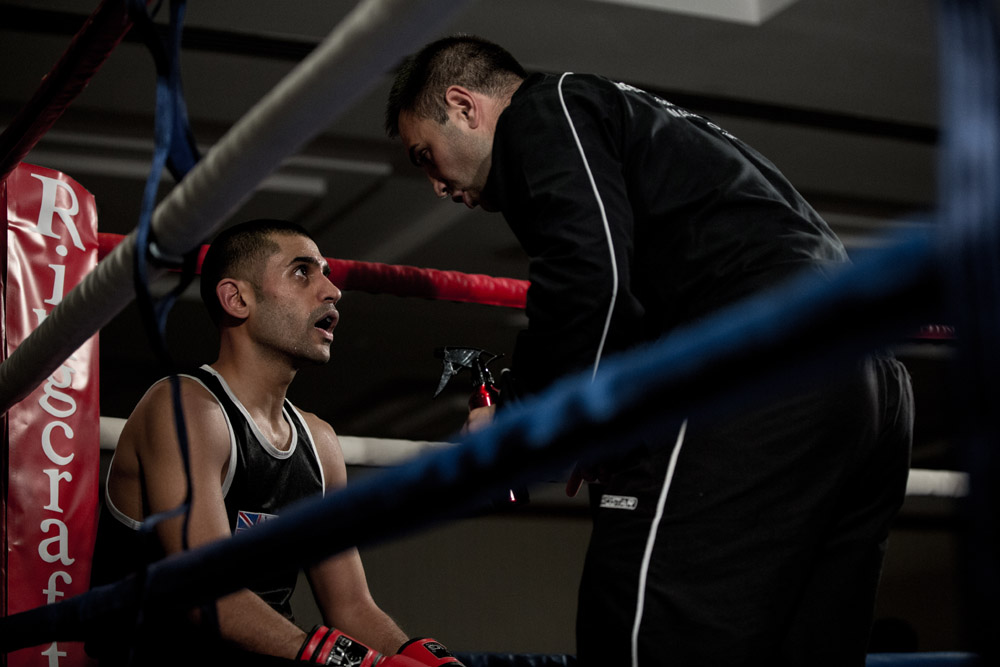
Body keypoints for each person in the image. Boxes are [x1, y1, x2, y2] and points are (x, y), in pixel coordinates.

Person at [385, 35, 914, 666]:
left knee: (640, 642)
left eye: (425, 155)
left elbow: (591, 273)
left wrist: (525, 416)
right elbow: (645, 284)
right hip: (869, 386)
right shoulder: (641, 126)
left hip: (763, 370)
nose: (437, 185)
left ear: (464, 106)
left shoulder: (545, 108)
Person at [89, 219, 457, 666]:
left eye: (326, 272)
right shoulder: (185, 409)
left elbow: (350, 606)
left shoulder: (319, 444)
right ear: (237, 299)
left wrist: (418, 655)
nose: (331, 290)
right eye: (302, 271)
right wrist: (360, 664)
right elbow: (206, 594)